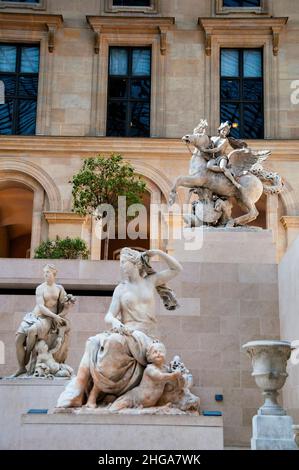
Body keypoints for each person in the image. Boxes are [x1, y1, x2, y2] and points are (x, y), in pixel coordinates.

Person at [56, 248, 182, 409]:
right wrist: (115, 322)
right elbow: (109, 315)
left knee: (113, 342)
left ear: (136, 264)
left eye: (124, 263)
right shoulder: (120, 289)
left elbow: (177, 269)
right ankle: (80, 391)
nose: (121, 266)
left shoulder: (150, 281)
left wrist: (158, 252)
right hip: (126, 331)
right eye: (120, 263)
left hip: (146, 335)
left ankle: (93, 394)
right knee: (94, 343)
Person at [13, 264, 68, 377]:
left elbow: (65, 306)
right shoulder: (40, 288)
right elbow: (41, 306)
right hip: (33, 316)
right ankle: (21, 368)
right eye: (44, 272)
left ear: (54, 274)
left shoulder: (59, 288)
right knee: (18, 339)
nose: (45, 274)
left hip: (46, 319)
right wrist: (55, 316)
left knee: (32, 330)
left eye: (47, 272)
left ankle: (27, 354)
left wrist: (67, 305)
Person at [109, 341, 182, 411]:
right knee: (118, 407)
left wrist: (178, 372)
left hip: (150, 403)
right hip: (136, 397)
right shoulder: (150, 368)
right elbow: (159, 377)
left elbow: (175, 381)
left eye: (160, 351)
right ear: (149, 356)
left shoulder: (166, 369)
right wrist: (174, 375)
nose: (158, 354)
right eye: (155, 352)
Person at [201, 121, 242, 190]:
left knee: (222, 167)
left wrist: (206, 150)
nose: (224, 131)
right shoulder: (213, 138)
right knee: (208, 166)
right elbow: (206, 142)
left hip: (222, 157)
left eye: (226, 131)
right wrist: (203, 131)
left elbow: (217, 149)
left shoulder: (225, 140)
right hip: (214, 158)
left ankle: (234, 182)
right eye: (223, 130)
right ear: (219, 130)